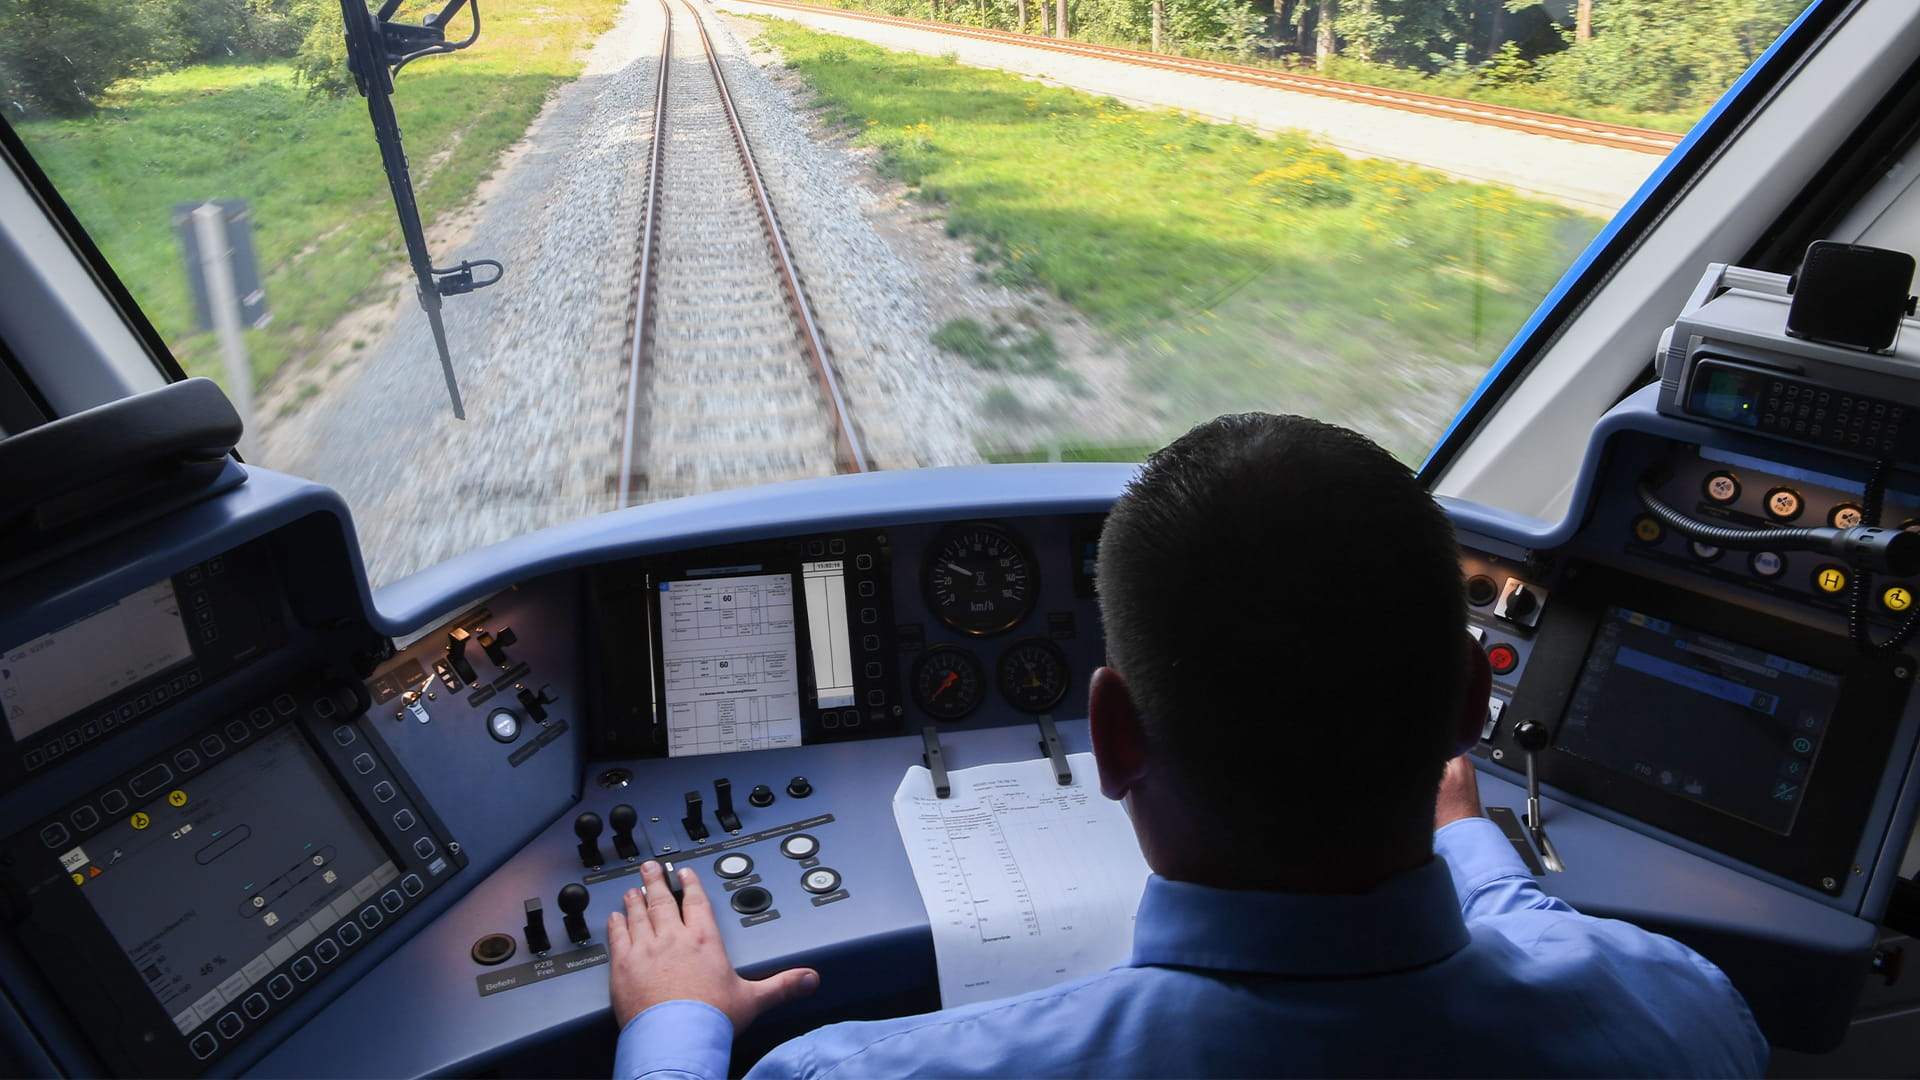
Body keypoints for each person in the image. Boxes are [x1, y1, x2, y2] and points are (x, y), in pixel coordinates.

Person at [605, 413, 1771, 1078]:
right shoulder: (1683, 1011)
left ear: (1114, 738)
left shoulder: (845, 1074)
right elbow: (1556, 947)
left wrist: (676, 1019)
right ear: (1470, 705)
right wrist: (1472, 845)